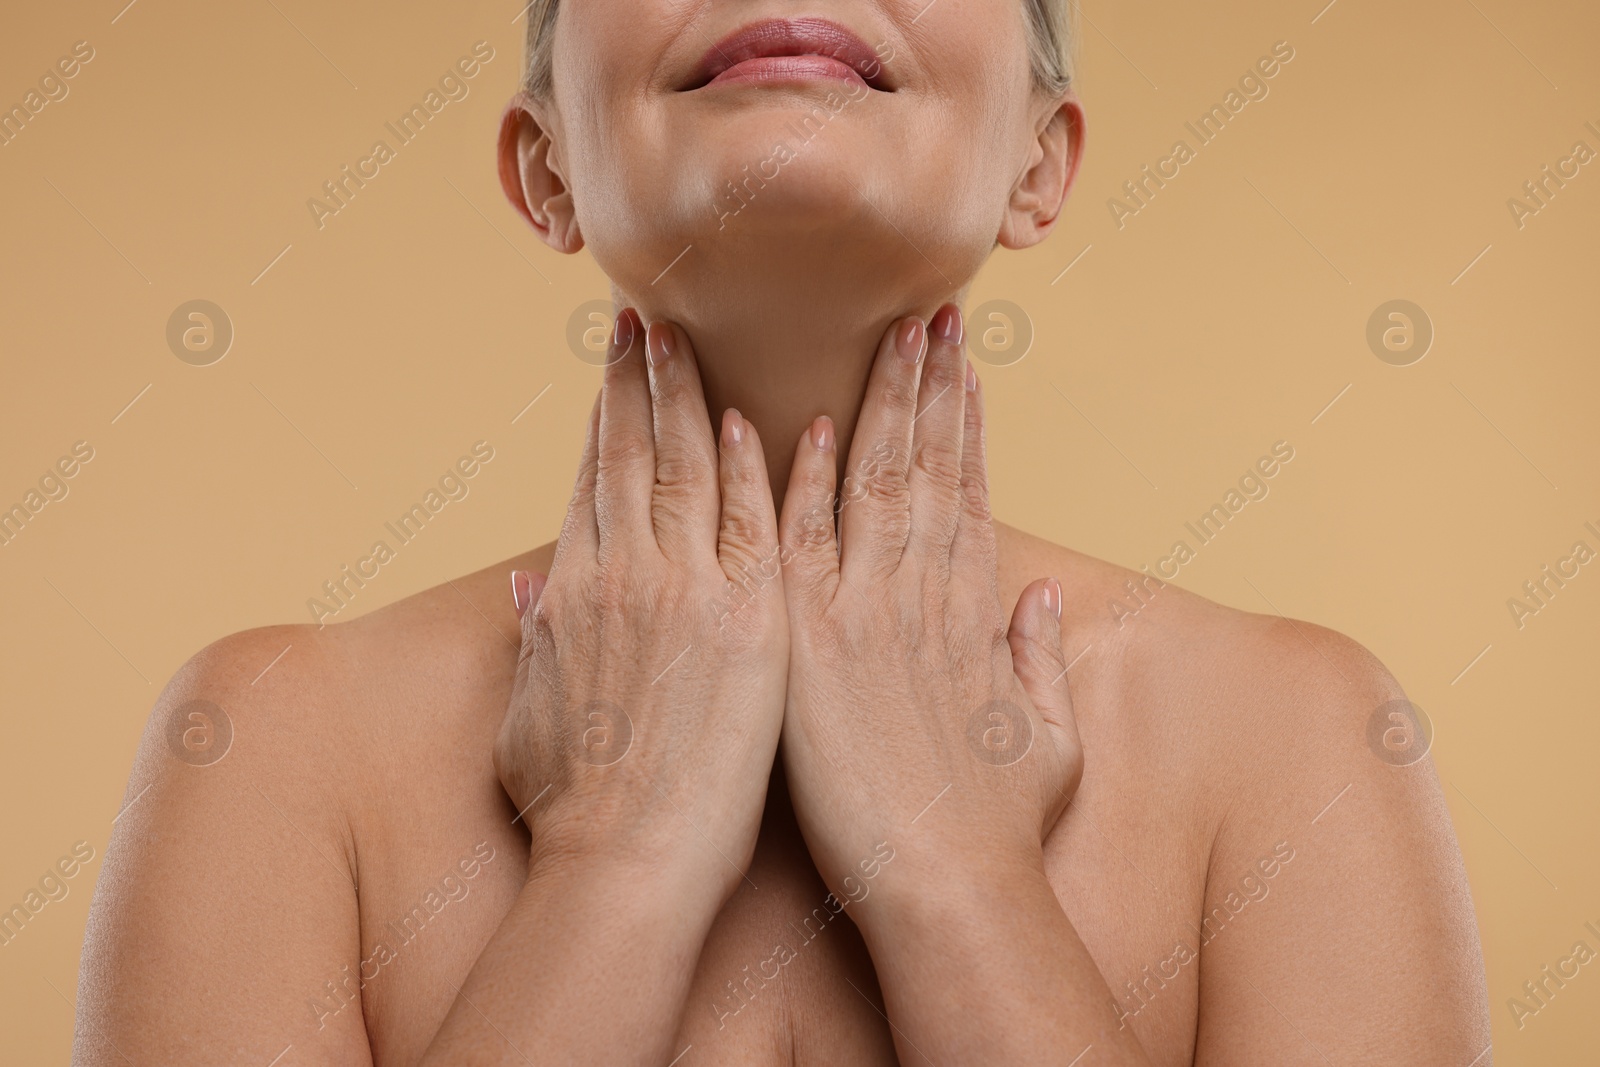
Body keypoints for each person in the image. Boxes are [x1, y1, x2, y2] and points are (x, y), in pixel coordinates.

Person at [77, 2, 1491, 1063]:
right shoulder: (265, 746)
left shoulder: (1303, 742)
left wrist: (964, 878)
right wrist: (613, 863)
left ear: (1040, 165)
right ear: (545, 168)